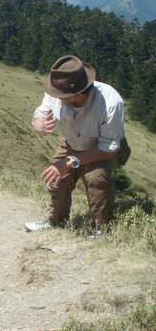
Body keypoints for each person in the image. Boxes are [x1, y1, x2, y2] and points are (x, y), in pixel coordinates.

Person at [25, 55, 131, 233]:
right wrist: (39, 126)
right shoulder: (55, 92)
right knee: (56, 178)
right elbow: (40, 114)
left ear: (76, 94)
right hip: (71, 142)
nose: (54, 95)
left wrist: (69, 162)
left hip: (103, 148)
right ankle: (55, 221)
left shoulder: (110, 102)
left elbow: (108, 148)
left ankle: (100, 228)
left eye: (60, 94)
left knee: (96, 178)